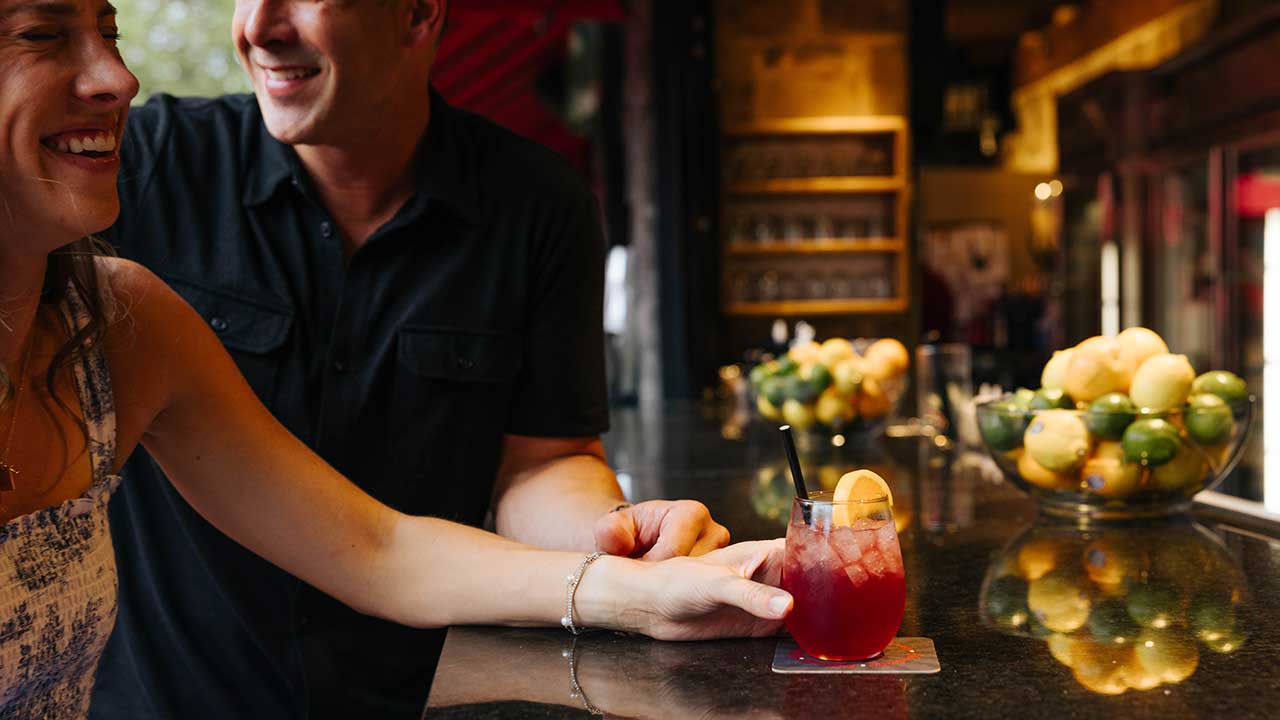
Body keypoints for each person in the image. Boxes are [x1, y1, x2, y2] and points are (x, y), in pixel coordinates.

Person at [0, 0, 793, 717]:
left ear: (418, 16)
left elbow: (406, 535)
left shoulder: (533, 202)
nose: (118, 79)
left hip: (413, 689)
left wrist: (626, 557)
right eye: (45, 35)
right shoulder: (140, 165)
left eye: (110, 34)